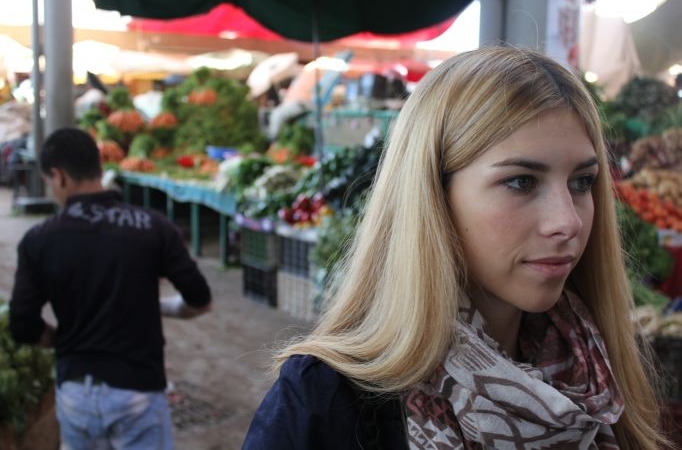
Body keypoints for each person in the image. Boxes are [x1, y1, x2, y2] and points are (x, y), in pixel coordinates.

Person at [243, 46, 668, 449]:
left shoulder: (603, 374)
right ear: (431, 194)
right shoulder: (325, 400)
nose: (568, 222)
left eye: (581, 182)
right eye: (521, 181)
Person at [9, 127, 212, 449]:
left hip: (76, 392)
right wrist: (159, 307)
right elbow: (200, 299)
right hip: (138, 391)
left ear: (58, 177)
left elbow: (22, 324)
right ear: (99, 166)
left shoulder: (38, 240)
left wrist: (60, 341)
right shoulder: (153, 227)